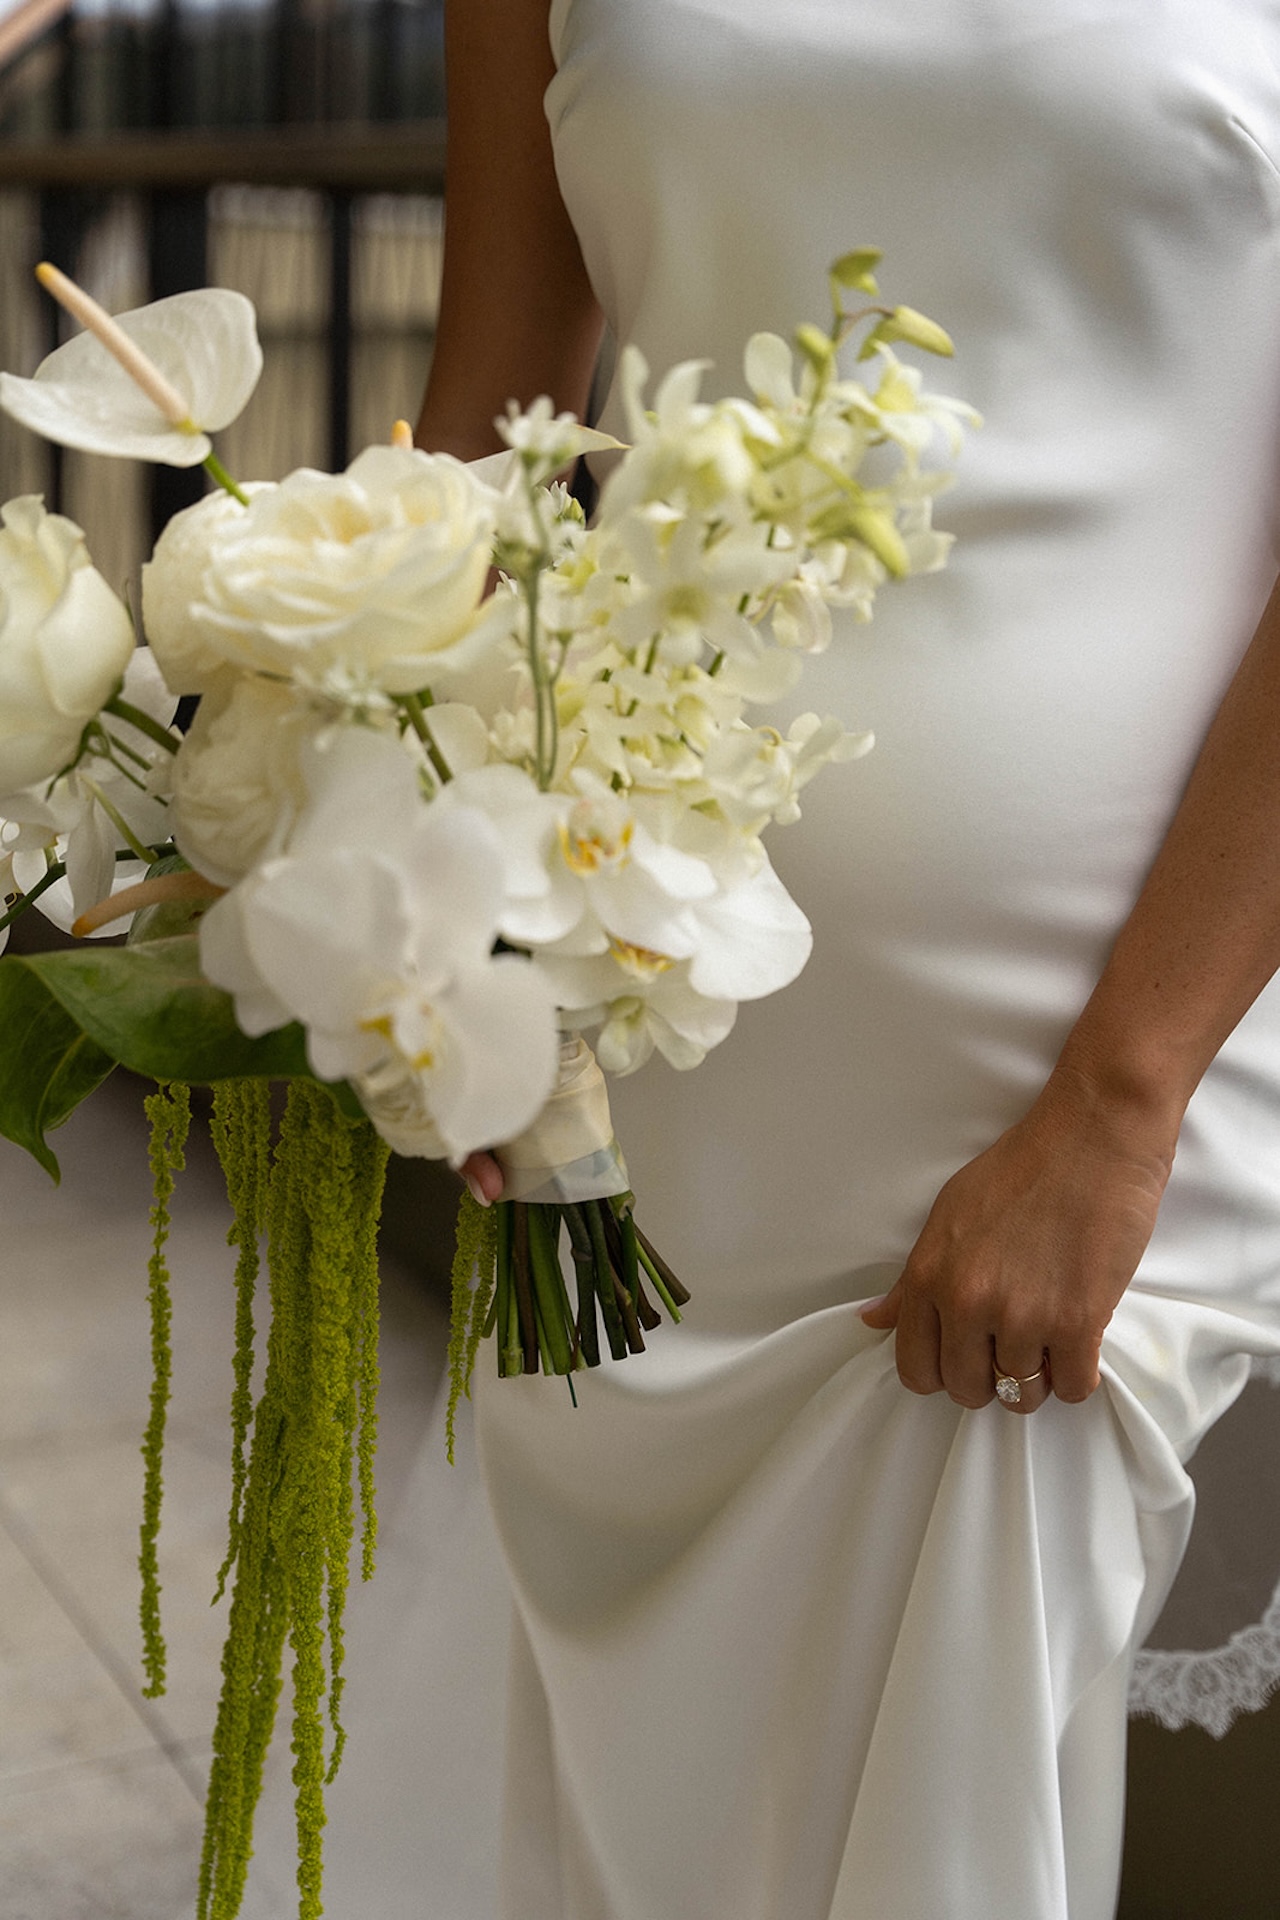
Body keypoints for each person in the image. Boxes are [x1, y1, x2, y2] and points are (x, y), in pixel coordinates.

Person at [416, 3, 1280, 1915]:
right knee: (659, 1793)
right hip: (646, 1001)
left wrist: (1119, 1104)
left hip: (1109, 1029)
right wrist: (410, 884)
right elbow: (489, 424)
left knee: (964, 1785)